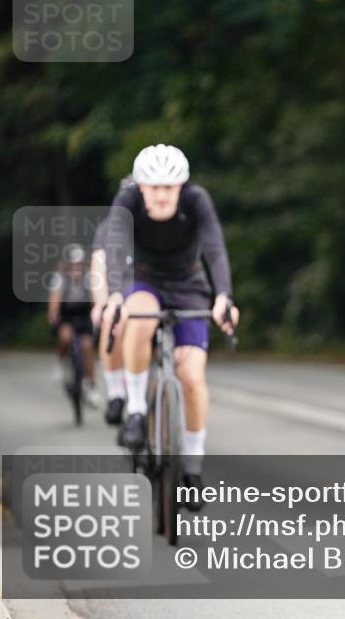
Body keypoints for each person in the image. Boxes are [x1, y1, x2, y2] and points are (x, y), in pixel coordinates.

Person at [101, 145, 239, 507]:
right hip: (142, 278)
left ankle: (191, 469)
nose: (162, 194)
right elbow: (115, 248)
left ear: (181, 187)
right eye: (154, 186)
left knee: (192, 378)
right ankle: (134, 410)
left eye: (170, 187)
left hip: (188, 284)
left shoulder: (197, 200)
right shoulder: (126, 200)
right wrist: (115, 295)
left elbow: (214, 249)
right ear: (141, 187)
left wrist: (223, 297)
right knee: (140, 317)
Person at [91, 175, 135, 426]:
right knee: (110, 320)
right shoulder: (108, 228)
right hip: (117, 290)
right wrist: (100, 303)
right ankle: (116, 392)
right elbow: (99, 264)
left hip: (148, 290)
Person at [48, 243, 101, 406]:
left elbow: (94, 300)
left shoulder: (89, 277)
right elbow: (55, 300)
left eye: (79, 264)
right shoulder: (59, 278)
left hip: (83, 313)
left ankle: (90, 386)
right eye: (73, 265)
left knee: (87, 346)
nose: (76, 268)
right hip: (66, 314)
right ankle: (59, 362)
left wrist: (97, 313)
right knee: (65, 337)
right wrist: (53, 314)